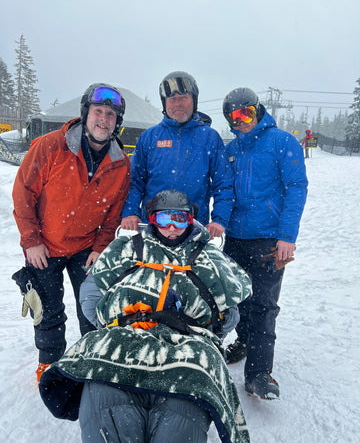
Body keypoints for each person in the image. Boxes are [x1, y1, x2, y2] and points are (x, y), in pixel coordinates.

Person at [39, 190, 252, 443]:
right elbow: (92, 292)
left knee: (179, 416)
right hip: (125, 334)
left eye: (180, 220)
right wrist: (112, 324)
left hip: (186, 344)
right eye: (164, 220)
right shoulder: (127, 249)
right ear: (152, 220)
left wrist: (201, 331)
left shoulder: (209, 257)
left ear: (191, 220)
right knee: (109, 407)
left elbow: (228, 313)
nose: (172, 228)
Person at [12, 83, 131, 382]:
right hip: (45, 246)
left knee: (92, 307)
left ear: (118, 123)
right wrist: (31, 241)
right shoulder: (51, 146)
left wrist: (101, 247)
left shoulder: (120, 163)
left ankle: (91, 358)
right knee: (48, 310)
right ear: (86, 113)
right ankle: (50, 363)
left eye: (111, 115)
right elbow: (23, 193)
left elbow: (114, 212)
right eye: (98, 112)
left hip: (86, 248)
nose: (103, 119)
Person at [222, 87, 308, 400]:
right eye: (235, 115)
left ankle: (259, 374)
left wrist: (287, 237)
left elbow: (297, 187)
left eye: (248, 112)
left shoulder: (281, 142)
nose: (242, 120)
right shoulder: (230, 149)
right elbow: (222, 189)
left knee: (263, 304)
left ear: (258, 110)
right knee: (237, 297)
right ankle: (244, 341)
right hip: (234, 237)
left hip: (269, 239)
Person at [121, 70, 234, 239]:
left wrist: (219, 220)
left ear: (194, 100)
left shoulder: (210, 138)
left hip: (193, 230)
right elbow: (134, 181)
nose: (178, 103)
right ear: (164, 103)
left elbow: (223, 184)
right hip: (154, 228)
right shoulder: (150, 137)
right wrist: (130, 212)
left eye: (184, 98)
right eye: (172, 99)